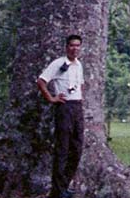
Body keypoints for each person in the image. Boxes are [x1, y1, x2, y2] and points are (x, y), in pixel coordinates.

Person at [37, 34, 85, 198]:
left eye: (78, 45)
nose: (75, 48)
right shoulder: (58, 63)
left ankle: (64, 186)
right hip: (64, 108)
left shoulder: (79, 65)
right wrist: (51, 98)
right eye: (72, 45)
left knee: (77, 148)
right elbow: (41, 81)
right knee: (62, 149)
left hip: (77, 107)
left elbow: (81, 85)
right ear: (66, 47)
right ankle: (57, 191)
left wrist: (79, 101)